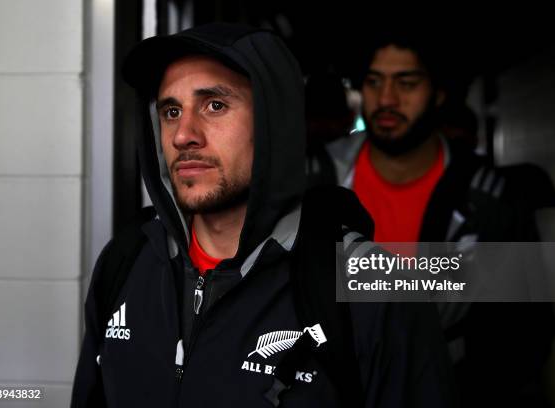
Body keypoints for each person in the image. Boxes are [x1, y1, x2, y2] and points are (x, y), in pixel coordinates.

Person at [70, 23, 455, 407]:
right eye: (171, 111)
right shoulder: (126, 261)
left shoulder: (376, 292)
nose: (182, 135)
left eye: (214, 105)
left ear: (275, 122)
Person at [322, 33, 555, 407]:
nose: (386, 99)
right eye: (374, 82)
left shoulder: (488, 199)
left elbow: (527, 332)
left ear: (439, 93)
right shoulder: (316, 179)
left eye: (407, 84)